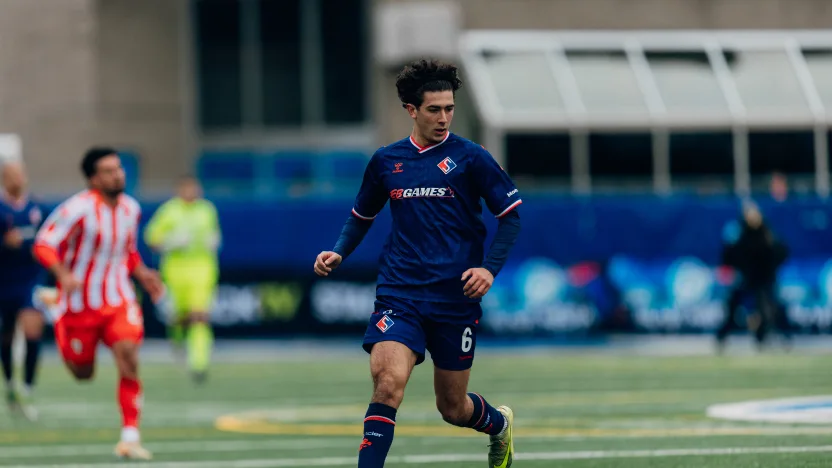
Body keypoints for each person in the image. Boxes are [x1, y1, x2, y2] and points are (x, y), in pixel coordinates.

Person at [314, 59, 522, 468]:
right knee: (387, 384)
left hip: (454, 299)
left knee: (453, 407)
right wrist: (339, 250)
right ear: (411, 109)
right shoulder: (386, 161)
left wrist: (488, 269)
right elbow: (361, 216)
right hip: (400, 293)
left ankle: (499, 425)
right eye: (434, 109)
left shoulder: (472, 157)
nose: (443, 118)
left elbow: (510, 217)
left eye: (449, 109)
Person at [33, 147, 163, 459]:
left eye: (119, 168)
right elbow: (43, 244)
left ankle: (130, 437)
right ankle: (56, 310)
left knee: (128, 355)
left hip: (119, 298)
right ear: (93, 179)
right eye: (109, 171)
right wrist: (63, 275)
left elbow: (127, 250)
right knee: (83, 373)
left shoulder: (131, 208)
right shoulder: (77, 208)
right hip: (79, 304)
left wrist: (143, 274)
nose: (117, 175)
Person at [143, 175, 220, 383]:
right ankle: (178, 342)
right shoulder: (169, 210)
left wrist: (214, 241)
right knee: (178, 317)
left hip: (203, 268)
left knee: (200, 315)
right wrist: (170, 242)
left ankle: (199, 362)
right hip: (175, 271)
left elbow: (214, 234)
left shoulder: (207, 210)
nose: (191, 193)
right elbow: (151, 239)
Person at [0, 161, 45, 420]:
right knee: (6, 334)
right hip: (4, 281)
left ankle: (28, 387)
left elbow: (50, 240)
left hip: (30, 280)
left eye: (20, 174)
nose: (17, 179)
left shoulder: (37, 208)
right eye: (11, 176)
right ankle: (9, 383)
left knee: (32, 329)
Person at [716, 202, 791, 351]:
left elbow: (780, 252)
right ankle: (722, 336)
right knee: (733, 307)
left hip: (764, 279)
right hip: (747, 278)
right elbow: (730, 254)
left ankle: (770, 337)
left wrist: (771, 268)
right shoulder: (739, 233)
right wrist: (735, 268)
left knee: (769, 309)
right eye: (749, 214)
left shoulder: (767, 233)